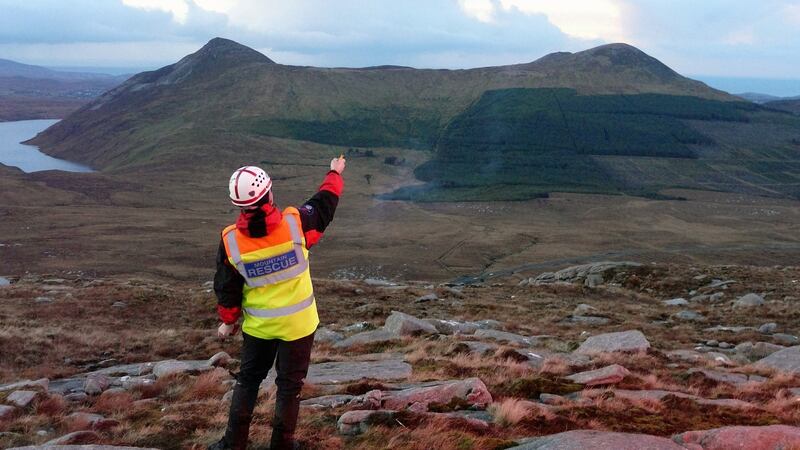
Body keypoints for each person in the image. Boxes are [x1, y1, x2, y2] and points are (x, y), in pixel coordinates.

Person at [209, 157, 345, 450]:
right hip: (299, 325)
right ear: (269, 194)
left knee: (247, 382)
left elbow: (227, 287)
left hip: (259, 327)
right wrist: (334, 173)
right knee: (289, 388)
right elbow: (325, 204)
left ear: (239, 205)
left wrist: (229, 321)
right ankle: (282, 446)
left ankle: (233, 445)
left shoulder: (231, 241)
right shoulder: (297, 223)